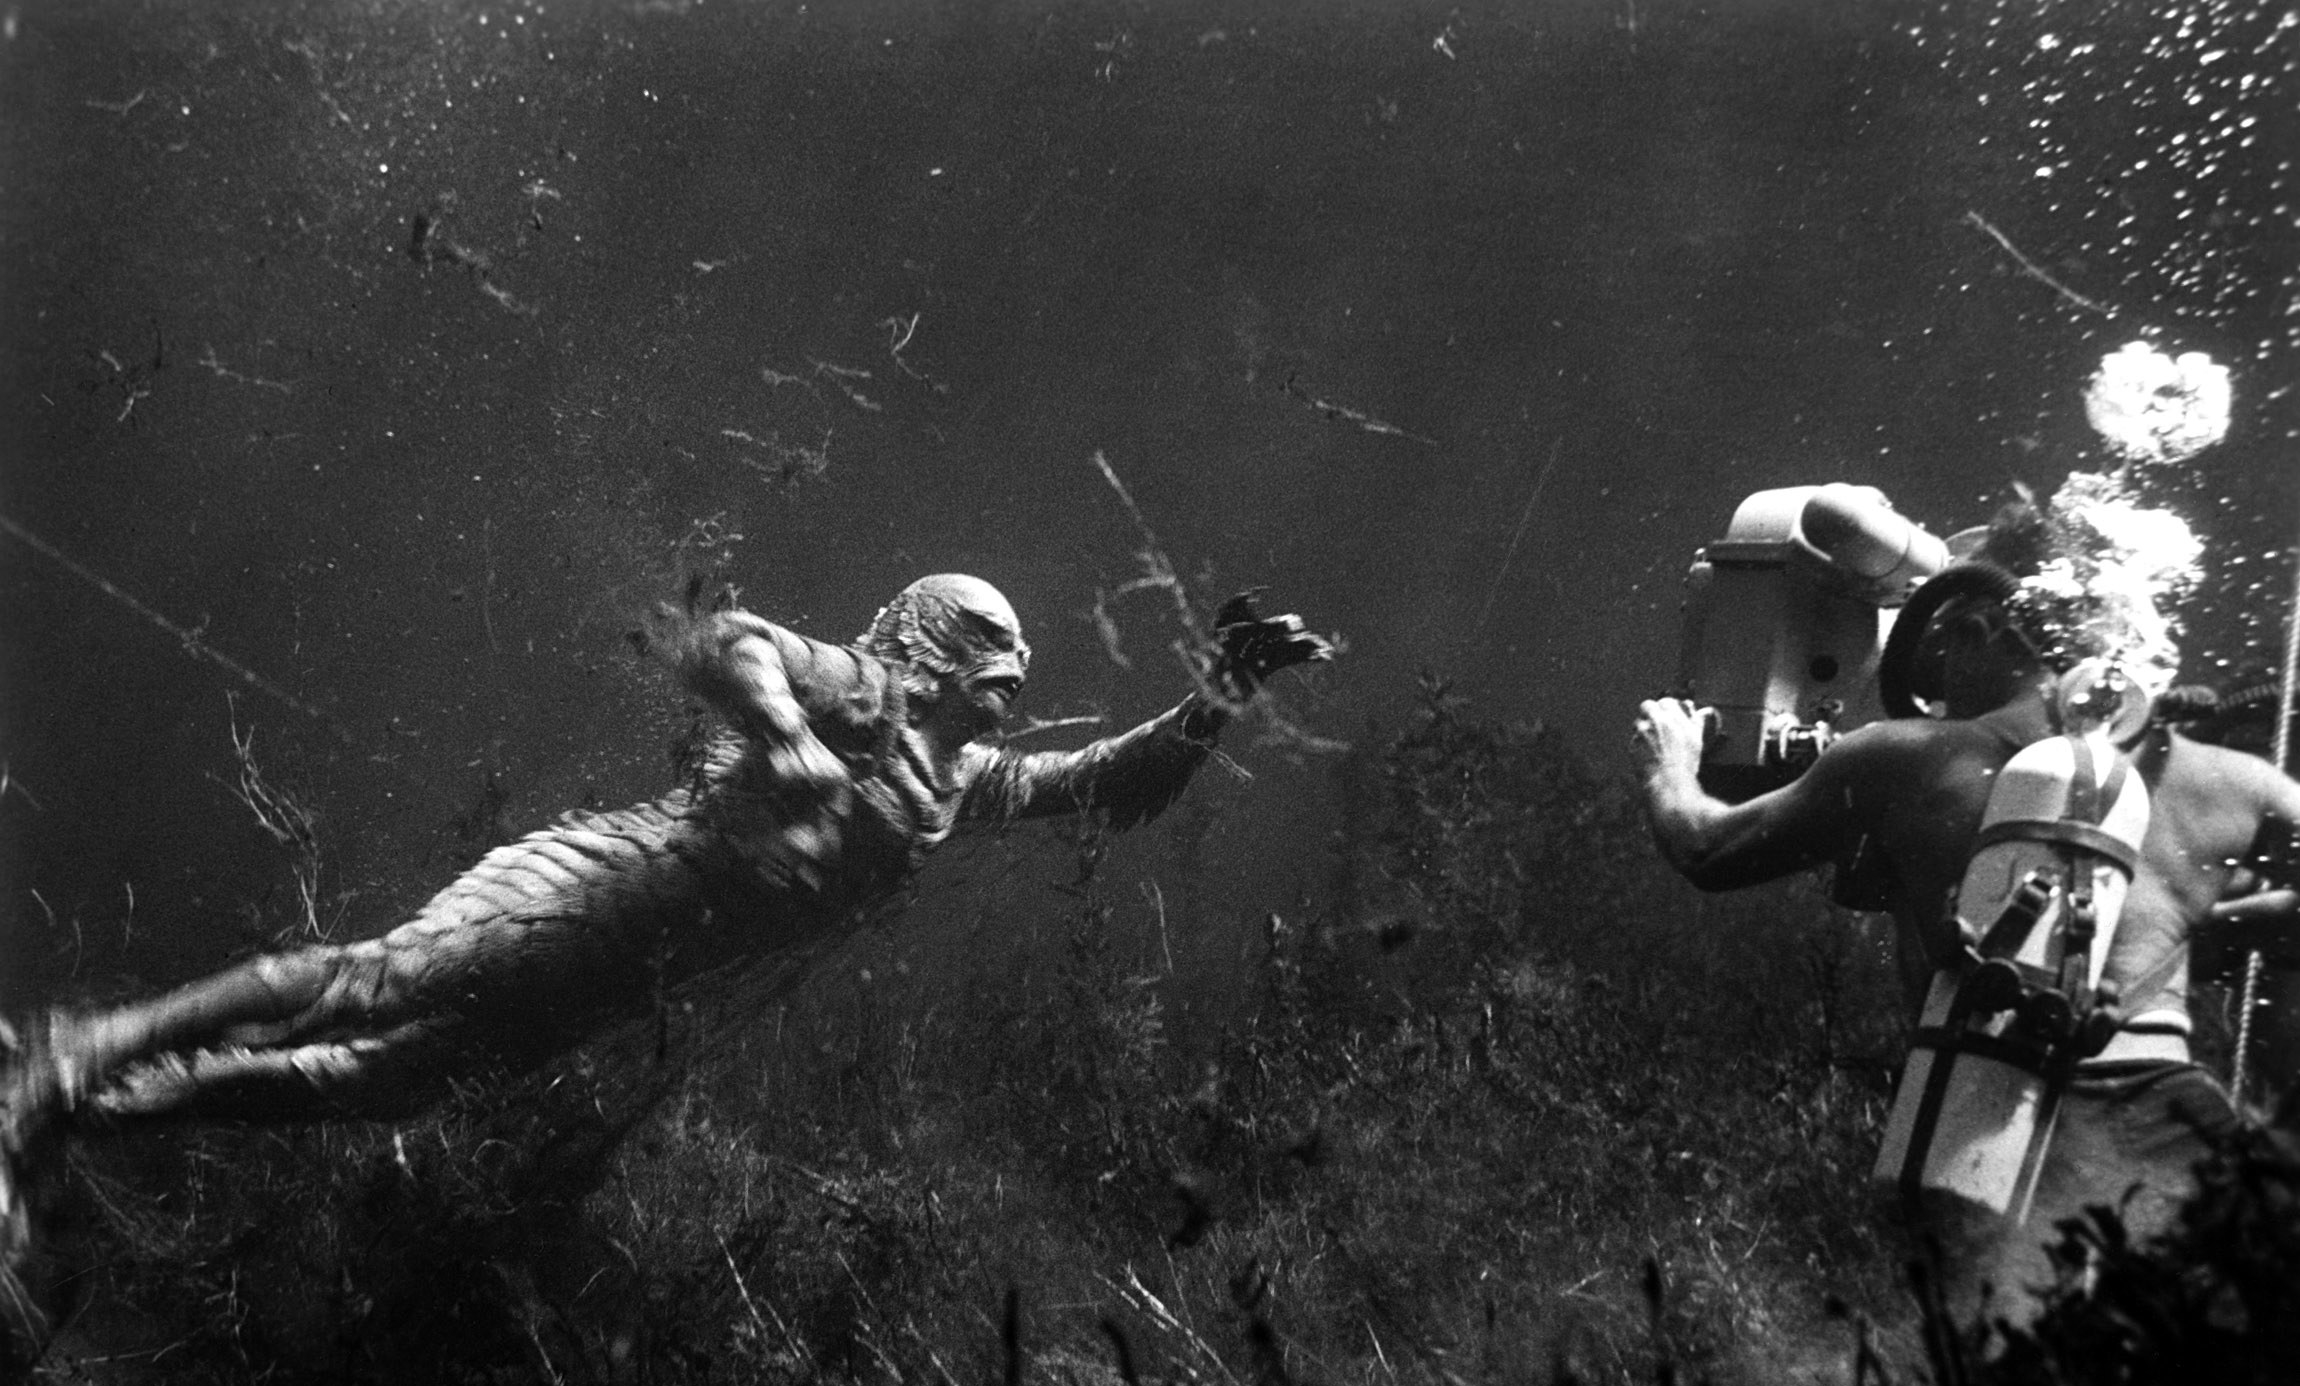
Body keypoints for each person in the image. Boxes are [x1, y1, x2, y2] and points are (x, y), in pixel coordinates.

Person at [0, 573, 1333, 1262]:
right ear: (937, 648)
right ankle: (79, 1047)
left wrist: (1215, 697)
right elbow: (729, 639)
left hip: (627, 970)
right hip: (600, 886)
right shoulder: (864, 693)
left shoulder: (958, 785)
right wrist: (782, 736)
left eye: (1015, 671)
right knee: (362, 984)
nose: (1014, 687)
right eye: (997, 662)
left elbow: (1112, 785)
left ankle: (86, 1107)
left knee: (377, 1073)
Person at [1633, 533, 2300, 1329]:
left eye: (1940, 657)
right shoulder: (2228, 780)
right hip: (2171, 1125)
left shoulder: (1903, 757)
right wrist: (2207, 933)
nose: (1937, 691)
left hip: (1985, 1131)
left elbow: (1707, 848)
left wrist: (1669, 763)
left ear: (1983, 627)